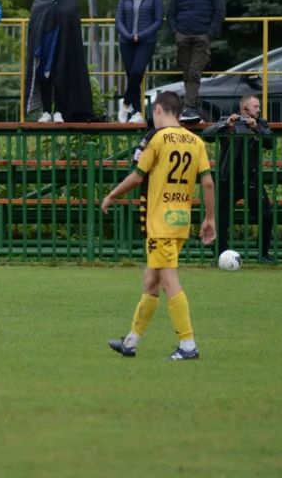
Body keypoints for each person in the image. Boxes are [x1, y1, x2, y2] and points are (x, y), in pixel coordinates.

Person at [101, 90, 216, 360]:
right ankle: (130, 342)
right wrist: (209, 218)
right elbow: (208, 183)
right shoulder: (195, 141)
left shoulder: (157, 138)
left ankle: (188, 345)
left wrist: (112, 195)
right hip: (180, 221)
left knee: (169, 280)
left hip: (160, 222)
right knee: (150, 280)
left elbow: (137, 176)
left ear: (158, 110)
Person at [202, 94, 276, 263]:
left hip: (251, 180)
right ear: (245, 108)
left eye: (258, 106)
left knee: (266, 215)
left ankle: (264, 254)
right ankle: (221, 255)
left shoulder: (261, 123)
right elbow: (206, 134)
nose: (259, 109)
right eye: (256, 106)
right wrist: (225, 125)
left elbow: (270, 142)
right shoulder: (227, 121)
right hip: (226, 179)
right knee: (221, 219)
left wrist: (257, 128)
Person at [24, 0, 95, 123]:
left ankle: (60, 111)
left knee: (61, 73)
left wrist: (52, 8)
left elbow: (69, 9)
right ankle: (47, 111)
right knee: (45, 74)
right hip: (45, 37)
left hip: (64, 38)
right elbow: (37, 9)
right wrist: (52, 8)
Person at [168, 0, 226, 123]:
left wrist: (210, 33)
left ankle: (189, 108)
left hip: (202, 36)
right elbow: (171, 12)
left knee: (194, 72)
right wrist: (175, 33)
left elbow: (220, 10)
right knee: (188, 73)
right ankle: (194, 110)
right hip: (183, 36)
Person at [115, 0, 164, 124]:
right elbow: (118, 20)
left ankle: (125, 105)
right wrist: (128, 36)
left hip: (146, 42)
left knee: (137, 72)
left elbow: (158, 21)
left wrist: (140, 35)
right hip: (126, 41)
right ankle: (137, 113)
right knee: (131, 76)